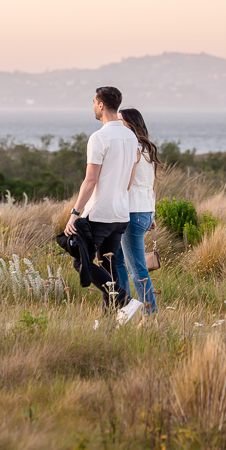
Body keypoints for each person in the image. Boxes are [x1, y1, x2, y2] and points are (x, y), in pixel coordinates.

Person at [63, 86, 138, 306]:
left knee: (81, 262)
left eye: (93, 102)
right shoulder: (131, 137)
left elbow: (90, 180)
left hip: (100, 214)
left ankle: (124, 299)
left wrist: (75, 214)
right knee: (108, 266)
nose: (93, 106)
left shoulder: (99, 138)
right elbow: (129, 182)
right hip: (121, 214)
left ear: (101, 105)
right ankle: (112, 320)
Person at [112, 108, 159, 313]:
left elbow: (127, 184)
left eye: (120, 120)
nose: (116, 123)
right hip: (144, 211)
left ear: (130, 124)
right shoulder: (147, 149)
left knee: (136, 268)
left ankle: (150, 314)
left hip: (131, 212)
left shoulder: (133, 149)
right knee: (118, 260)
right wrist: (152, 215)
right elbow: (152, 186)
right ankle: (123, 308)